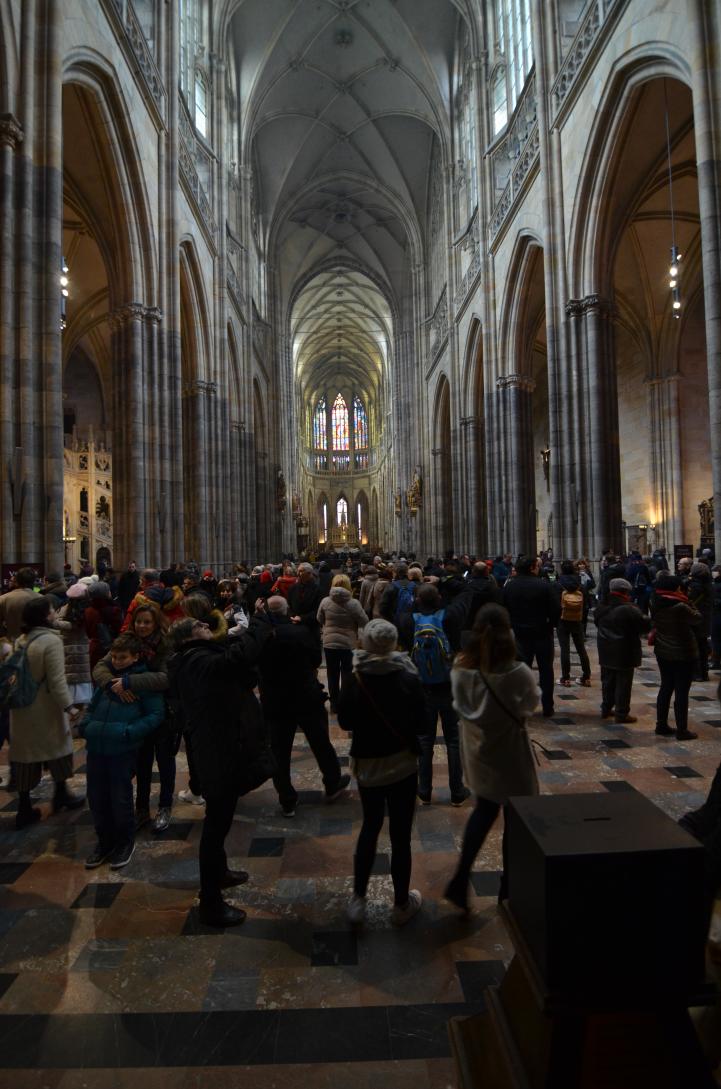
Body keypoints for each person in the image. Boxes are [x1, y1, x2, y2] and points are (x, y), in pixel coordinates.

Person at [168, 615, 274, 927]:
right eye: (200, 626)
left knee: (220, 818)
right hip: (217, 751)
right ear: (188, 637)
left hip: (220, 746)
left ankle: (220, 872)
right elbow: (237, 658)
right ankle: (210, 902)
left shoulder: (193, 658)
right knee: (216, 826)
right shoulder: (196, 661)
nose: (206, 627)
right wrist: (259, 625)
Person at [444, 604, 539, 912]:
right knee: (515, 819)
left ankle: (461, 878)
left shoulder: (460, 669)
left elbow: (459, 705)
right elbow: (530, 706)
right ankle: (508, 888)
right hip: (510, 752)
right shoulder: (517, 672)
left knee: (484, 811)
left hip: (478, 750)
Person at [338, 619, 427, 926]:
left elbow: (344, 722)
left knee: (370, 827)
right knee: (401, 835)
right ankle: (401, 903)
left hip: (369, 765)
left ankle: (358, 900)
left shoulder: (355, 678)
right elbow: (423, 721)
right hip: (402, 764)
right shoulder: (408, 676)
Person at [256, 596, 350, 817]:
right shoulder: (300, 632)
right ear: (287, 609)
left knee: (279, 751)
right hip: (305, 695)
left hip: (276, 700)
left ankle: (287, 799)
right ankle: (332, 782)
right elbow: (316, 660)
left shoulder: (261, 636)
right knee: (320, 742)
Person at [80, 632, 164, 869]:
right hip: (97, 746)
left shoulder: (141, 682)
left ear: (135, 657)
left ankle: (125, 842)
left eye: (123, 657)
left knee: (120, 797)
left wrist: (129, 731)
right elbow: (93, 705)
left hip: (122, 747)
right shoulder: (108, 679)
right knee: (97, 797)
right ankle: (104, 841)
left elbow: (156, 714)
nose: (117, 662)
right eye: (114, 657)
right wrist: (86, 726)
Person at [92, 602, 173, 833]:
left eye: (147, 622)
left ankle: (165, 806)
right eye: (139, 621)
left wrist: (130, 682)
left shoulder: (165, 644)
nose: (142, 626)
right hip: (136, 713)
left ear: (156, 623)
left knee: (165, 762)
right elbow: (101, 667)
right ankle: (142, 809)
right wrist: (112, 684)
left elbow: (166, 678)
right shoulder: (127, 640)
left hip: (163, 711)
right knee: (142, 762)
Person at [9, 596, 84, 829]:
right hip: (45, 708)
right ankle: (61, 793)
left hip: (21, 709)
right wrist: (70, 707)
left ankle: (24, 807)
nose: (54, 612)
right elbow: (57, 681)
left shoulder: (21, 640)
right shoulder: (51, 641)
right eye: (51, 610)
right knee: (57, 749)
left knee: (26, 756)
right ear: (45, 616)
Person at [399, 584, 469, 806]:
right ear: (439, 598)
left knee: (425, 740)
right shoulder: (449, 617)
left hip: (422, 687)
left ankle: (424, 790)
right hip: (448, 685)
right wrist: (444, 585)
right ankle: (457, 791)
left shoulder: (408, 620)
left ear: (417, 600)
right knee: (453, 741)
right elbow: (463, 595)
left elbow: (393, 610)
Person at [503, 554, 560, 717]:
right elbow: (556, 609)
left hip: (519, 634)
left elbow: (503, 608)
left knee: (521, 671)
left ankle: (521, 705)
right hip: (542, 632)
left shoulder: (509, 586)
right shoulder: (544, 586)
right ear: (532, 568)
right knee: (546, 670)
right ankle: (547, 706)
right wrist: (551, 624)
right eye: (537, 565)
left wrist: (512, 625)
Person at [650, 572, 701, 740]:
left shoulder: (655, 602)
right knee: (682, 691)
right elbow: (697, 619)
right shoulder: (680, 606)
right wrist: (689, 601)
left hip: (663, 650)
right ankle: (682, 730)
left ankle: (661, 724)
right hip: (683, 652)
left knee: (666, 687)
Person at [594, 578, 651, 723]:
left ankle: (606, 708)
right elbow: (645, 626)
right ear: (626, 592)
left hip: (605, 648)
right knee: (623, 684)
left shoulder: (602, 605)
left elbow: (597, 623)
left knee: (608, 681)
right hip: (625, 650)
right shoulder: (629, 608)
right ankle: (621, 713)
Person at [317, 574, 368, 713]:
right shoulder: (354, 603)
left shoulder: (325, 601)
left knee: (332, 673)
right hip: (348, 644)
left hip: (329, 643)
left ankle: (334, 704)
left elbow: (319, 619)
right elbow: (364, 621)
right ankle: (346, 702)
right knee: (347, 673)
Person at [55, 581, 93, 708]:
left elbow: (60, 627)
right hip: (84, 651)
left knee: (70, 680)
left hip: (66, 649)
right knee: (82, 684)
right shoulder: (89, 611)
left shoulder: (63, 610)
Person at [556, 561, 591, 687]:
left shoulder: (558, 585)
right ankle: (586, 677)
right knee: (581, 649)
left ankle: (565, 678)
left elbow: (555, 603)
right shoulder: (580, 584)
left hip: (562, 620)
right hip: (577, 620)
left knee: (565, 649)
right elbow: (586, 602)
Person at [83, 581, 122, 669]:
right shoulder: (113, 611)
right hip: (111, 649)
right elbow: (119, 629)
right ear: (105, 594)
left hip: (93, 648)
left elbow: (87, 631)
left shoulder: (88, 610)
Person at [688, 562, 713, 681]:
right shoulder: (709, 584)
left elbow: (690, 599)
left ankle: (697, 673)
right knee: (703, 645)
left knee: (695, 646)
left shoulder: (695, 585)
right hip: (706, 617)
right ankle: (704, 672)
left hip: (695, 617)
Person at [0, 568, 37, 643]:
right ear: (34, 582)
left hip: (11, 641)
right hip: (36, 642)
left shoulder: (3, 599)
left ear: (16, 582)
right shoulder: (42, 598)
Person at [287, 562, 324, 639]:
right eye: (298, 571)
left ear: (309, 573)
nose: (298, 573)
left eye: (301, 571)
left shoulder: (317, 590)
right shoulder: (293, 588)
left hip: (311, 628)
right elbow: (289, 605)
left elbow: (318, 610)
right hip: (295, 626)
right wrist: (292, 616)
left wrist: (302, 618)